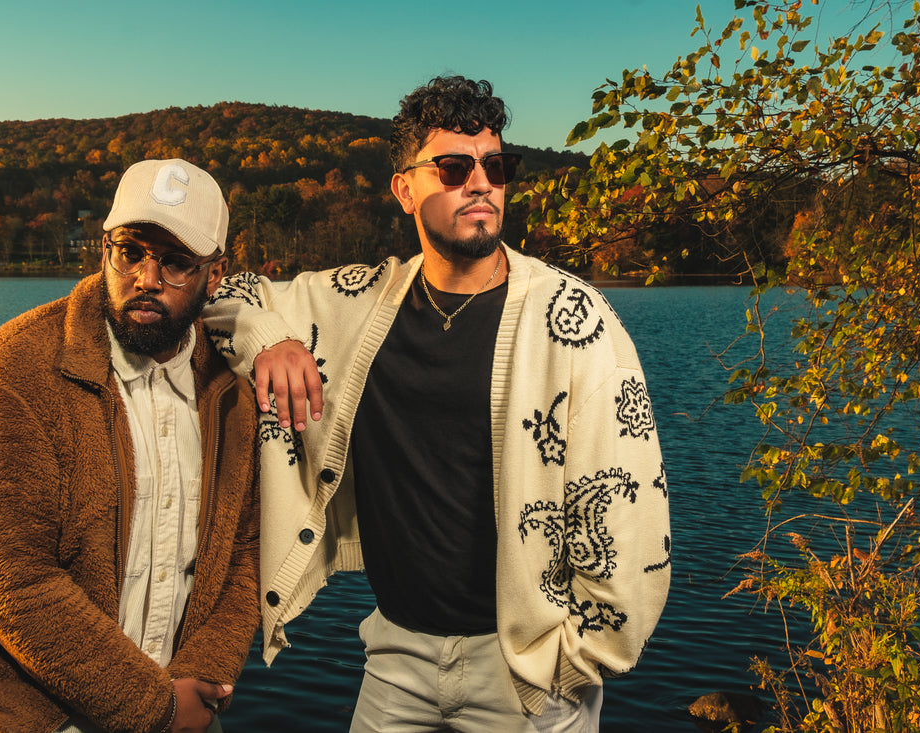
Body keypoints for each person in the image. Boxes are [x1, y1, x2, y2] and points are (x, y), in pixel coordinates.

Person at [205, 76, 671, 732]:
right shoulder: (359, 302)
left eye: (496, 165)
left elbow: (630, 513)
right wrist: (268, 340)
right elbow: (228, 293)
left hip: (527, 671)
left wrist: (578, 664)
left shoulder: (575, 321)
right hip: (396, 654)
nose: (480, 181)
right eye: (454, 167)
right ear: (405, 189)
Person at [0, 158, 260, 733]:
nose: (146, 277)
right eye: (130, 250)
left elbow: (245, 557)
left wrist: (200, 685)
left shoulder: (234, 394)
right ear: (105, 251)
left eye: (175, 262)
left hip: (176, 699)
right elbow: (9, 580)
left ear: (214, 276)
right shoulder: (6, 378)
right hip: (12, 712)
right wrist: (157, 711)